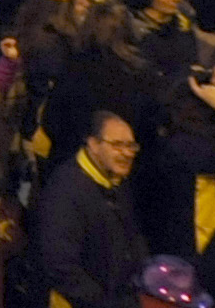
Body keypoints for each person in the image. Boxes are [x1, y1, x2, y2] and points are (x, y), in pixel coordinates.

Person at [32, 113, 147, 308]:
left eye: (131, 146)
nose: (127, 153)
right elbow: (60, 265)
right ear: (93, 144)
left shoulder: (115, 180)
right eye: (117, 145)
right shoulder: (66, 190)